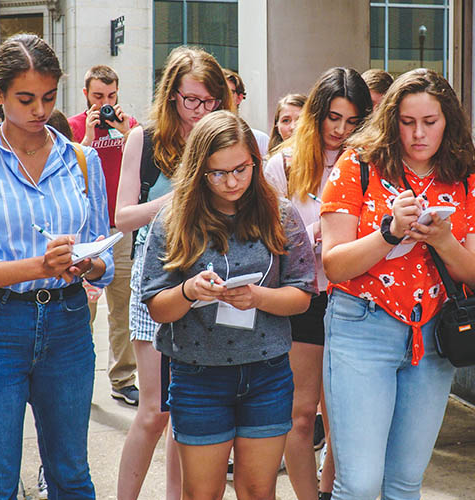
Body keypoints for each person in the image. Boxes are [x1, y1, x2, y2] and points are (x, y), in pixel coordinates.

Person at [0, 33, 113, 499]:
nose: (39, 110)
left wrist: (87, 265)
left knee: (71, 474)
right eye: (25, 98)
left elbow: (105, 252)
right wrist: (41, 265)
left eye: (49, 97)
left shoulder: (83, 160)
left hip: (69, 321)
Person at [320, 68, 475, 500]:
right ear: (391, 119)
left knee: (404, 483)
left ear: (447, 120)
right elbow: (334, 265)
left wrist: (444, 241)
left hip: (434, 334)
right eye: (407, 122)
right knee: (358, 484)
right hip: (363, 325)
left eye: (429, 122)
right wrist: (389, 233)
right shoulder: (357, 164)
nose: (418, 134)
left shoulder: (467, 174)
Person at [139, 110, 316, 499]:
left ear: (255, 160)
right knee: (201, 493)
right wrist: (188, 292)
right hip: (198, 374)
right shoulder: (173, 220)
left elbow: (302, 295)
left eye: (241, 169)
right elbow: (156, 307)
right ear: (198, 170)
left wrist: (258, 297)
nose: (231, 181)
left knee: (258, 490)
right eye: (217, 173)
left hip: (266, 371)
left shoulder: (281, 214)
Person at [114, 45, 232, 500]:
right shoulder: (144, 141)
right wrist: (180, 195)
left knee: (188, 413)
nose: (200, 112)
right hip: (158, 277)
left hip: (213, 283)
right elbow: (123, 216)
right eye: (191, 101)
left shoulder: (225, 140)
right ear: (171, 98)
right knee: (154, 410)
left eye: (210, 102)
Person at [264, 68, 373, 500]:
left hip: (356, 295)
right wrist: (308, 242)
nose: (340, 130)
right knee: (301, 413)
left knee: (343, 415)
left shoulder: (371, 162)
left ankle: (330, 492)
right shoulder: (284, 163)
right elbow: (266, 240)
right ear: (315, 114)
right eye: (333, 118)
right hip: (306, 297)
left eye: (352, 121)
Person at [68, 65, 141, 406]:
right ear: (86, 95)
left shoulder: (131, 127)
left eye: (111, 96)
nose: (106, 103)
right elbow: (66, 172)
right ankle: (77, 378)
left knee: (122, 305)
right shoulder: (73, 127)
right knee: (84, 306)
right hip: (88, 228)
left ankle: (123, 378)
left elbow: (143, 167)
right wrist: (85, 141)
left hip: (123, 226)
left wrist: (126, 134)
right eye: (99, 97)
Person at [224, 68, 269, 155]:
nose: (223, 98)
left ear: (239, 98)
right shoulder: (202, 138)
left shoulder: (259, 140)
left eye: (228, 93)